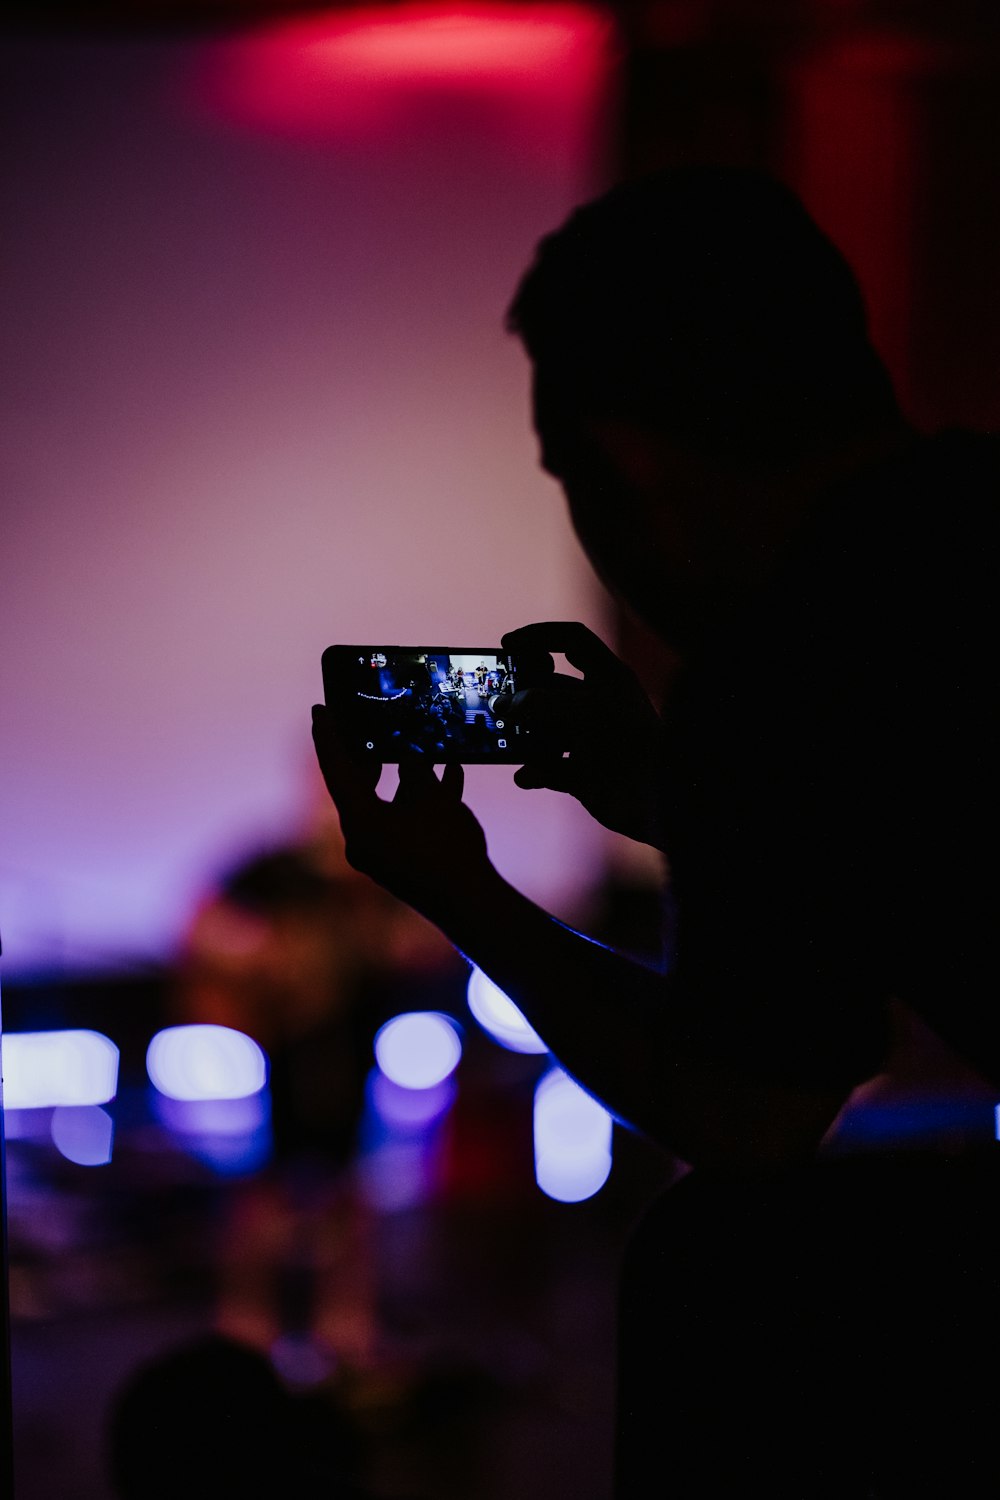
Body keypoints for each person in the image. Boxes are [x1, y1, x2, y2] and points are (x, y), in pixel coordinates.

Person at [313, 167, 999, 1495]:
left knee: (714, 1266)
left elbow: (745, 1114)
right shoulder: (957, 528)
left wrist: (470, 899)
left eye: (569, 477)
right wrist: (678, 799)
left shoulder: (789, 670)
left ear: (633, 467)